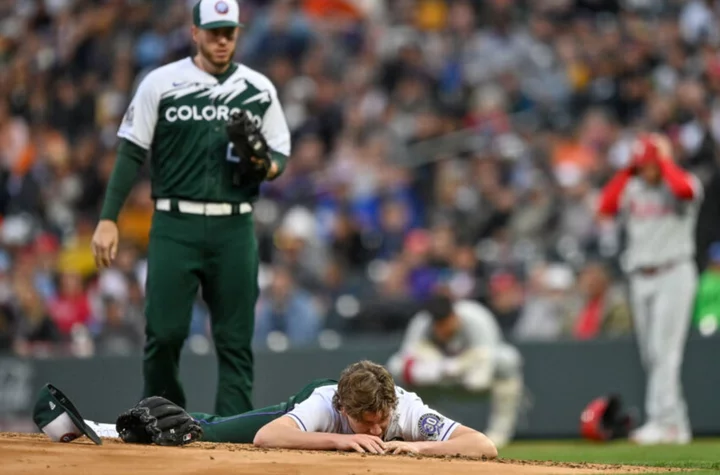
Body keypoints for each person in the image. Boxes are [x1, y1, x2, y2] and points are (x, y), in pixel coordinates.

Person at [90, 0, 291, 416]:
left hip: (234, 226)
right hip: (174, 222)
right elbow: (130, 152)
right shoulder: (160, 82)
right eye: (214, 32)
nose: (222, 41)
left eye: (229, 33)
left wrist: (267, 166)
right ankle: (163, 419)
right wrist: (109, 217)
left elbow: (280, 154)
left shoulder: (258, 88)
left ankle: (230, 430)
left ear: (237, 33)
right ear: (195, 32)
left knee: (235, 339)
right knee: (163, 333)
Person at [32, 361, 498, 459]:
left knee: (208, 429)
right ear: (344, 407)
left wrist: (415, 450)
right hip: (300, 403)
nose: (376, 427)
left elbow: (484, 445)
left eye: (381, 418)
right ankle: (92, 425)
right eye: (366, 421)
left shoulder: (405, 410)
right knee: (201, 433)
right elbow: (267, 438)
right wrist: (341, 437)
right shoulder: (325, 402)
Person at [597, 133, 703, 445]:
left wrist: (663, 159)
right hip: (640, 276)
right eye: (642, 164)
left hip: (674, 272)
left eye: (651, 163)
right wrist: (630, 168)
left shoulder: (683, 182)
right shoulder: (633, 186)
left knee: (664, 353)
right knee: (651, 355)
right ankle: (674, 423)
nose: (648, 169)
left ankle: (664, 422)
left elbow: (684, 190)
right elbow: (605, 206)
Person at [386, 294, 524, 448]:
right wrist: (437, 369)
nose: (442, 330)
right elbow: (405, 361)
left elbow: (481, 375)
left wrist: (457, 367)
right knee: (395, 366)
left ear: (454, 316)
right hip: (435, 379)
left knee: (507, 360)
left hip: (472, 375)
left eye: (446, 323)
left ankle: (499, 433)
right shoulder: (421, 323)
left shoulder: (476, 317)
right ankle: (434, 430)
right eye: (438, 325)